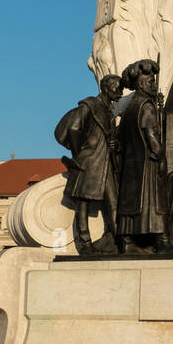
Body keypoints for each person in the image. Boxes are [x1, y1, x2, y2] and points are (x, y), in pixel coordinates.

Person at [55, 73, 124, 254]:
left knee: (113, 201)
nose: (121, 92)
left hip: (106, 162)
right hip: (89, 161)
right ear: (106, 88)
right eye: (118, 88)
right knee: (83, 203)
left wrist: (115, 144)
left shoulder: (108, 110)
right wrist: (79, 155)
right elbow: (74, 128)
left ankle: (119, 239)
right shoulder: (90, 105)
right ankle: (85, 243)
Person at [116, 59, 170, 252]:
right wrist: (161, 156)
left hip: (132, 165)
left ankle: (128, 240)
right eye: (150, 82)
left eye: (154, 81)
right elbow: (151, 135)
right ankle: (161, 239)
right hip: (147, 163)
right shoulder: (146, 106)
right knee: (154, 201)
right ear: (140, 83)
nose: (154, 85)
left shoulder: (130, 106)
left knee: (132, 203)